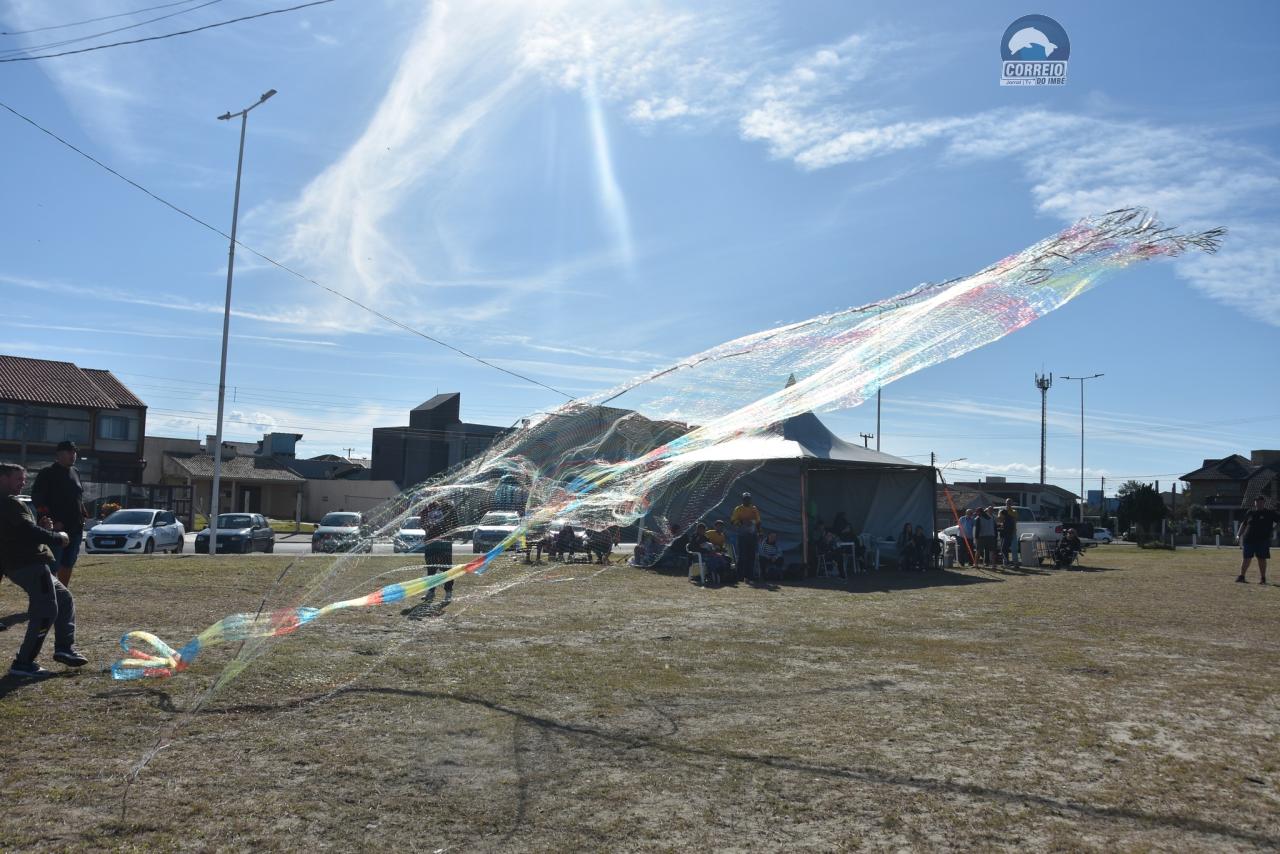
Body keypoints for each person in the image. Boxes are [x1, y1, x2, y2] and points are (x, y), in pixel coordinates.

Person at [0, 463, 87, 677]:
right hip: (28, 565)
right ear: (3, 478)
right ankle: (23, 663)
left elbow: (19, 532)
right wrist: (57, 537)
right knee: (46, 611)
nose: (23, 483)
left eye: (24, 479)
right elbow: (27, 531)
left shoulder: (8, 503)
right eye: (18, 479)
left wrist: (41, 528)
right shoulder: (9, 502)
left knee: (64, 599)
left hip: (25, 563)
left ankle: (64, 648)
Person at [30, 440, 88, 588]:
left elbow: (78, 496)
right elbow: (37, 500)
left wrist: (83, 513)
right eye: (69, 452)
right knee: (52, 565)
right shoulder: (47, 473)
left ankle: (63, 594)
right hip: (55, 530)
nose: (73, 455)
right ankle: (51, 595)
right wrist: (52, 521)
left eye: (74, 452)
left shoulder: (75, 472)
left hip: (75, 528)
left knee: (68, 563)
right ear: (59, 454)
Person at [1237, 495, 1279, 584]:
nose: (1258, 503)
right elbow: (1244, 524)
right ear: (1255, 503)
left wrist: (1273, 530)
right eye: (1257, 501)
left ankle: (1263, 578)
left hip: (1262, 540)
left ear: (1264, 503)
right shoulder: (1250, 512)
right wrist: (1238, 535)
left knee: (1262, 559)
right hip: (1248, 539)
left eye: (1260, 502)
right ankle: (1241, 577)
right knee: (1246, 558)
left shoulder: (1270, 513)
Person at [418, 501, 453, 605]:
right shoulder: (426, 509)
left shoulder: (447, 507)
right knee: (431, 569)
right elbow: (422, 524)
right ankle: (431, 592)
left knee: (446, 568)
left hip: (444, 543)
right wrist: (428, 523)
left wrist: (444, 526)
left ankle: (448, 593)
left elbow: (455, 523)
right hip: (430, 543)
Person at [730, 492, 762, 580]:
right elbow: (732, 521)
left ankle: (749, 575)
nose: (747, 500)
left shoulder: (754, 508)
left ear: (750, 499)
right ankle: (740, 575)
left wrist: (760, 532)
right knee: (742, 555)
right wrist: (742, 522)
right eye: (745, 499)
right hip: (742, 535)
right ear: (742, 499)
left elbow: (758, 521)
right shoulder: (738, 509)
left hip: (752, 535)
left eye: (748, 499)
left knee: (751, 556)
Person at [999, 499, 1020, 568]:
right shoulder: (1001, 511)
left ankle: (1015, 563)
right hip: (1005, 533)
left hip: (1013, 532)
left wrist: (1007, 514)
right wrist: (1003, 514)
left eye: (1010, 503)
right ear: (1005, 503)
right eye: (1007, 503)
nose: (1008, 504)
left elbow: (1015, 519)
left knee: (1014, 548)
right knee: (1004, 548)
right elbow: (1000, 520)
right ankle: (1005, 563)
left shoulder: (1014, 511)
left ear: (1012, 504)